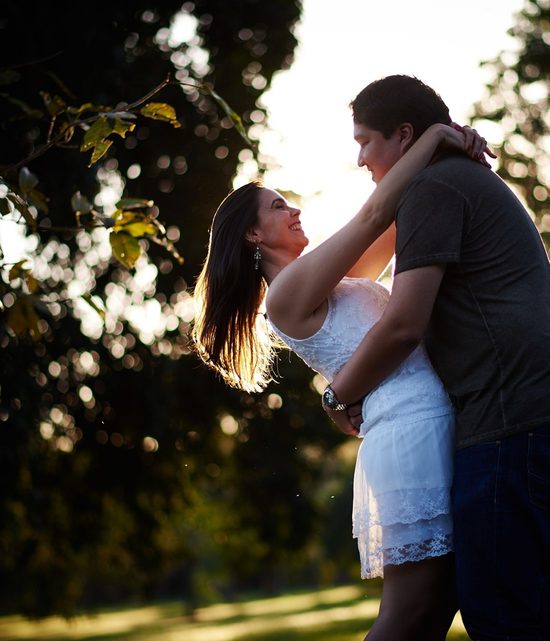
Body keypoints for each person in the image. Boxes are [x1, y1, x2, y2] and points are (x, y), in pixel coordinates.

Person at [322, 75, 550, 641]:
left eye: (366, 141)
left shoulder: (436, 189)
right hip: (530, 411)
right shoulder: (446, 182)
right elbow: (353, 269)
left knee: (500, 613)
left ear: (403, 136)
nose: (359, 159)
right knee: (506, 603)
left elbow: (403, 325)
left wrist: (338, 392)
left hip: (515, 417)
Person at [192, 122, 493, 641]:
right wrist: (435, 136)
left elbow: (396, 221)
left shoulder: (332, 278)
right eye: (279, 207)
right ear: (253, 235)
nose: (295, 211)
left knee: (439, 605)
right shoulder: (285, 296)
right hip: (409, 435)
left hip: (430, 424)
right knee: (408, 612)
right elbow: (375, 213)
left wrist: (445, 157)